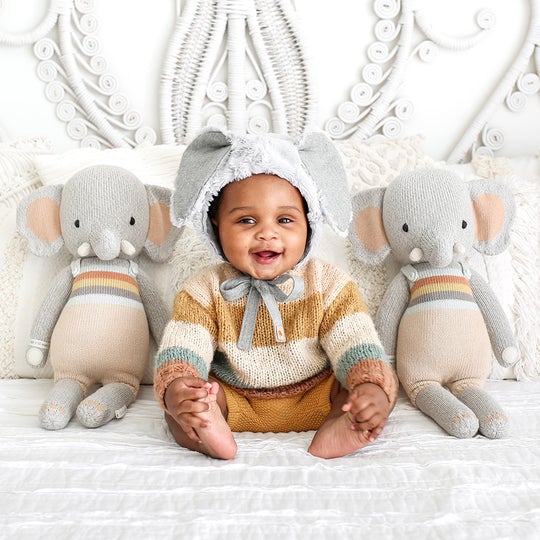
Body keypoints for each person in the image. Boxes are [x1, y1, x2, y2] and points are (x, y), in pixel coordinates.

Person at [154, 128, 398, 459]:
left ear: (309, 225)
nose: (267, 233)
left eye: (285, 219)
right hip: (235, 400)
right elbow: (183, 350)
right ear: (216, 227)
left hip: (319, 394)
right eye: (246, 220)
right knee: (183, 410)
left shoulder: (327, 284)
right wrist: (179, 389)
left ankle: (343, 426)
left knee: (366, 390)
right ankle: (208, 429)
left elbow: (356, 344)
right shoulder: (204, 290)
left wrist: (370, 387)